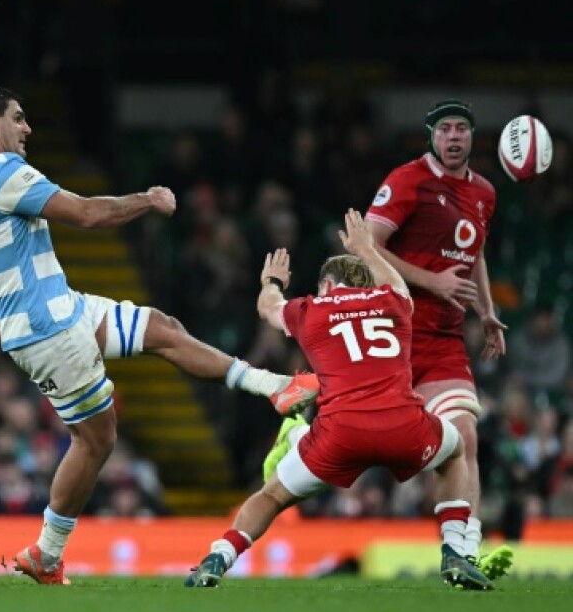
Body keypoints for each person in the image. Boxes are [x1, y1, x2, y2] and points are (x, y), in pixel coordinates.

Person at [0, 84, 319, 586]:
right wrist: (147, 199)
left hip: (63, 310)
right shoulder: (4, 172)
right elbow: (88, 214)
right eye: (17, 118)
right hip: (49, 331)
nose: (27, 127)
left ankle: (275, 386)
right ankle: (47, 553)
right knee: (96, 439)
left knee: (162, 329)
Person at [184, 210, 493, 591]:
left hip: (341, 433)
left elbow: (267, 307)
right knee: (456, 452)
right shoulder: (394, 302)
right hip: (404, 425)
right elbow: (397, 283)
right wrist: (367, 249)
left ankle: (218, 557)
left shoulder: (311, 309)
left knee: (272, 496)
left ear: (328, 284)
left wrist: (272, 282)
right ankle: (455, 552)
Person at [364, 99, 512, 578]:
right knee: (353, 449)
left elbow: (476, 253)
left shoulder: (484, 192)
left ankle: (463, 552)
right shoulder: (408, 180)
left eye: (461, 129)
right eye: (445, 128)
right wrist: (432, 281)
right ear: (431, 135)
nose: (453, 136)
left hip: (444, 342)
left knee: (465, 434)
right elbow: (366, 247)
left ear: (472, 137)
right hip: (393, 336)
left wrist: (486, 311)